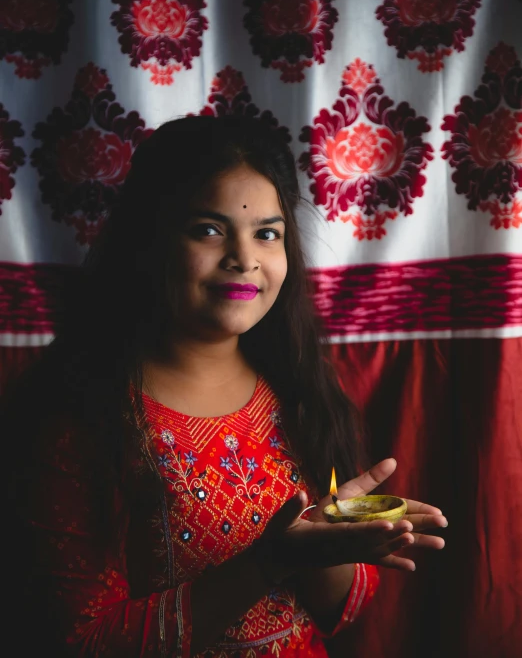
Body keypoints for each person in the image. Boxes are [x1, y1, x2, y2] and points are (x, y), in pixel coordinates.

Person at [4, 115, 447, 657]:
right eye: (209, 230)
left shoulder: (298, 389)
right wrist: (268, 564)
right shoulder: (81, 415)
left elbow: (341, 611)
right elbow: (80, 642)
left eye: (267, 233)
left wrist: (328, 541)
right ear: (149, 239)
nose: (244, 258)